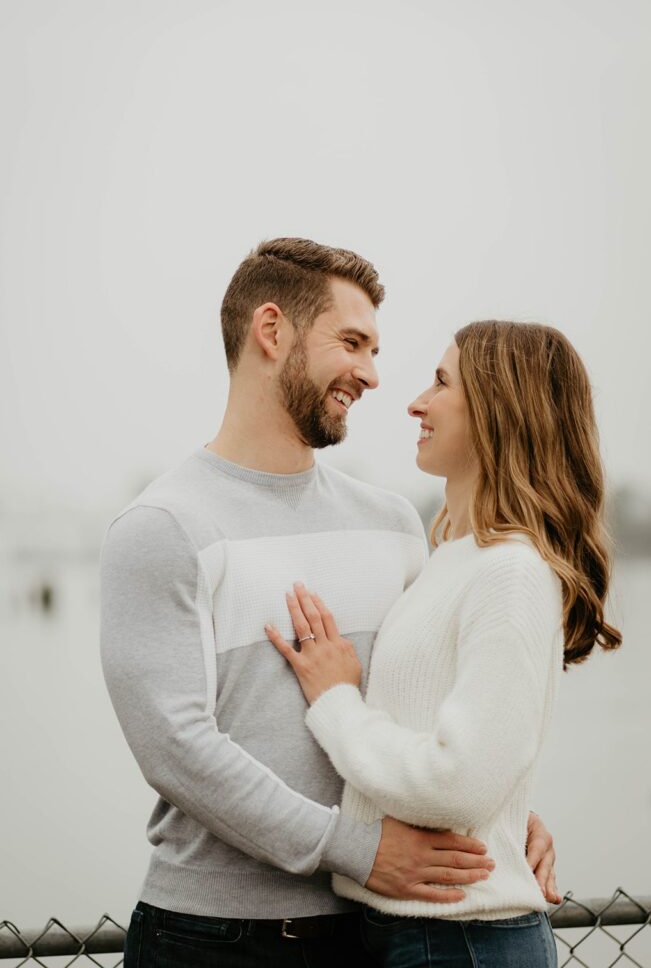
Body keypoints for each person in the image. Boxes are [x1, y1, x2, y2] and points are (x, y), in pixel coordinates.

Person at [100, 242, 558, 968]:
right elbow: (176, 750)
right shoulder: (163, 527)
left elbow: (428, 714)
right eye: (352, 343)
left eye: (375, 350)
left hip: (375, 933)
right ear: (271, 331)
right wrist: (357, 848)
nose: (373, 376)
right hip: (211, 940)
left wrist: (502, 821)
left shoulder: (393, 525)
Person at [267, 320, 622, 968]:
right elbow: (475, 759)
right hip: (414, 932)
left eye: (439, 382)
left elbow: (460, 782)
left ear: (497, 409)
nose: (414, 403)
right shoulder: (454, 559)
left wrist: (337, 702)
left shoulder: (509, 572)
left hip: (459, 939)